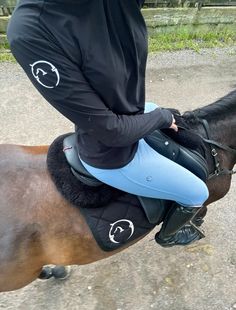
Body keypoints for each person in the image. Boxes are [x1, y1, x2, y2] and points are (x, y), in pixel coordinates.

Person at [7, 0, 209, 247]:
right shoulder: (32, 29)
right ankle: (169, 235)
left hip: (130, 117)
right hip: (114, 152)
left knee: (153, 107)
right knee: (197, 193)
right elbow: (111, 132)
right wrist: (163, 118)